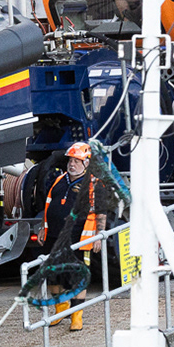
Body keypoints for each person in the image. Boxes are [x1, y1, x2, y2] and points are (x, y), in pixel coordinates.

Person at [36, 142, 117, 331]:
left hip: (78, 240)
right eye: (70, 160)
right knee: (53, 276)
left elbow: (101, 213)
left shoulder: (95, 185)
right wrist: (42, 228)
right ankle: (61, 309)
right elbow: (48, 206)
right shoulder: (59, 180)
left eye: (77, 161)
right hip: (54, 237)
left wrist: (99, 235)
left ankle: (76, 315)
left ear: (87, 163)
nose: (72, 164)